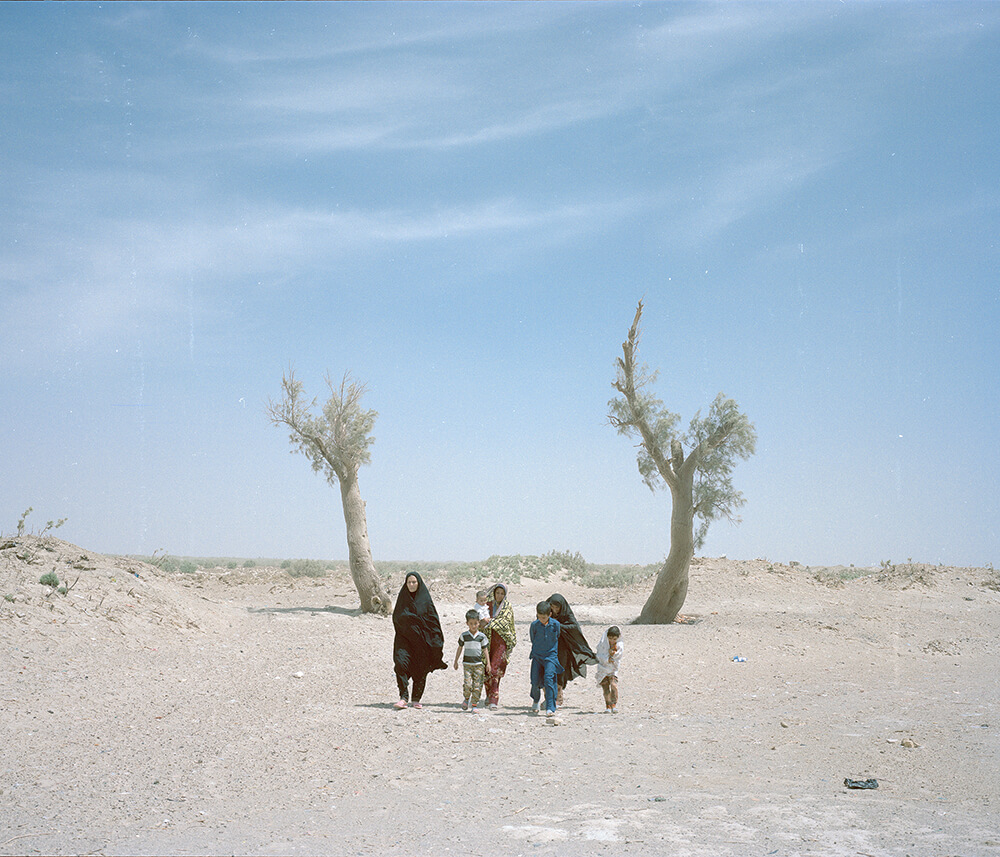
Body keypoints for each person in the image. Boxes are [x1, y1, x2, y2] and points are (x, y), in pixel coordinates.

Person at [392, 572, 447, 709]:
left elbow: (433, 621)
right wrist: (409, 621)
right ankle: (403, 697)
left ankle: (416, 698)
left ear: (419, 583)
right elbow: (397, 617)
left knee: (421, 668)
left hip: (422, 642)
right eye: (409, 582)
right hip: (404, 639)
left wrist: (435, 641)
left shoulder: (425, 600)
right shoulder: (403, 599)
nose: (411, 585)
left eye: (414, 582)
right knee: (400, 664)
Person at [546, 593, 597, 705]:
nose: (554, 610)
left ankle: (558, 697)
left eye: (557, 607)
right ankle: (549, 698)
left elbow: (574, 627)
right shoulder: (546, 611)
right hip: (548, 645)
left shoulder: (566, 614)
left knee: (560, 670)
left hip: (563, 646)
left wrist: (558, 625)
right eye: (552, 607)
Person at [483, 582, 516, 711]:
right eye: (497, 593)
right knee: (486, 668)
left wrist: (489, 622)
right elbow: (479, 617)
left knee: (495, 669)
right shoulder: (487, 605)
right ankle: (488, 695)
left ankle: (494, 699)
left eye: (502, 593)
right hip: (487, 640)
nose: (499, 596)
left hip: (501, 641)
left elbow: (505, 623)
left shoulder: (507, 607)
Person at [529, 600, 563, 720]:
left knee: (549, 680)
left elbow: (557, 636)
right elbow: (533, 638)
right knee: (534, 681)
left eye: (544, 617)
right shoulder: (534, 625)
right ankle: (536, 700)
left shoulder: (555, 625)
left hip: (551, 657)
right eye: (539, 617)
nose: (542, 620)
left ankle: (550, 707)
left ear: (550, 615)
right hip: (537, 656)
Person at [453, 609, 489, 712]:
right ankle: (466, 699)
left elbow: (485, 650)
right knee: (468, 684)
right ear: (467, 623)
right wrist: (456, 661)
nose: (473, 626)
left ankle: (474, 705)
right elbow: (460, 648)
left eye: (475, 623)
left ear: (479, 623)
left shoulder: (482, 637)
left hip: (478, 665)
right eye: (471, 624)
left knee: (477, 685)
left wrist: (488, 663)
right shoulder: (464, 636)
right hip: (467, 665)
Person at [594, 626, 623, 713]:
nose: (612, 641)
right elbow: (599, 656)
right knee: (606, 688)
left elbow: (619, 656)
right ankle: (608, 706)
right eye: (610, 638)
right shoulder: (603, 644)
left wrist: (613, 656)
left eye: (614, 639)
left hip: (613, 669)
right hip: (603, 668)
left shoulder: (619, 645)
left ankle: (614, 704)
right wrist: (607, 659)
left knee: (614, 685)